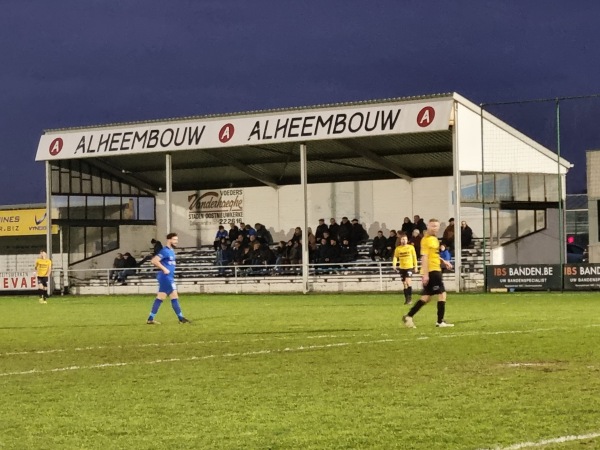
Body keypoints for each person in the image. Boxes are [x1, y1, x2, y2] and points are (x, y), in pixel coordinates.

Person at [403, 218, 454, 328]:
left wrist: (444, 261)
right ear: (428, 226)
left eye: (437, 226)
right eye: (433, 226)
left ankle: (409, 316)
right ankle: (440, 322)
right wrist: (425, 274)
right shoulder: (426, 240)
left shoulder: (434, 239)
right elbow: (424, 257)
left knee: (427, 297)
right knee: (442, 294)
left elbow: (434, 254)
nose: (435, 228)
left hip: (435, 268)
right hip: (432, 271)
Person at [146, 232, 191, 325]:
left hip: (168, 277)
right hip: (165, 277)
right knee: (174, 297)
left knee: (161, 297)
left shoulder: (171, 251)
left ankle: (150, 319)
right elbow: (154, 261)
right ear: (169, 240)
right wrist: (164, 269)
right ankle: (181, 318)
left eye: (177, 240)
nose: (176, 242)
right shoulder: (164, 251)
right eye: (174, 240)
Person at [392, 235, 418, 305]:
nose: (404, 240)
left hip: (409, 267)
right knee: (404, 284)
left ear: (407, 240)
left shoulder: (411, 247)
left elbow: (414, 257)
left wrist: (416, 266)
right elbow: (395, 257)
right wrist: (394, 265)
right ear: (400, 240)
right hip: (402, 268)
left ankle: (410, 298)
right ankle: (407, 299)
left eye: (405, 239)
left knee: (408, 281)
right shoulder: (398, 249)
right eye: (403, 239)